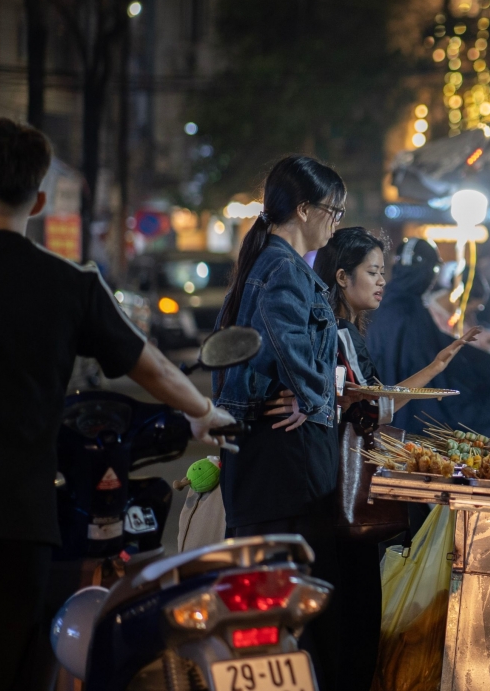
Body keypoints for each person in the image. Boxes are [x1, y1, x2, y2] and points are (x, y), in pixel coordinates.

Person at [0, 117, 236, 691]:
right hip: (23, 524)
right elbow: (151, 366)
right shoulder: (69, 285)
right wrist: (204, 412)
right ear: (37, 201)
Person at [309, 228, 479, 690]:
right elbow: (366, 410)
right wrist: (430, 376)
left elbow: (373, 403)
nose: (382, 281)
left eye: (384, 272)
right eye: (373, 271)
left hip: (331, 488)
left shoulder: (341, 328)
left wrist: (435, 367)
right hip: (339, 487)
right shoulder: (337, 331)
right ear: (342, 277)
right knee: (356, 614)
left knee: (354, 608)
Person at [214, 154, 352, 690]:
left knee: (268, 604)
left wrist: (307, 393)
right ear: (304, 210)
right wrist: (315, 397)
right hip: (280, 462)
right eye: (333, 212)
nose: (335, 223)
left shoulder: (269, 262)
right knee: (277, 605)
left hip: (270, 460)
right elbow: (290, 346)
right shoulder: (283, 271)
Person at [366, 238, 490, 436]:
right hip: (404, 413)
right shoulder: (410, 312)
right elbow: (430, 360)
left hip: (383, 411)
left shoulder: (382, 305)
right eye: (433, 270)